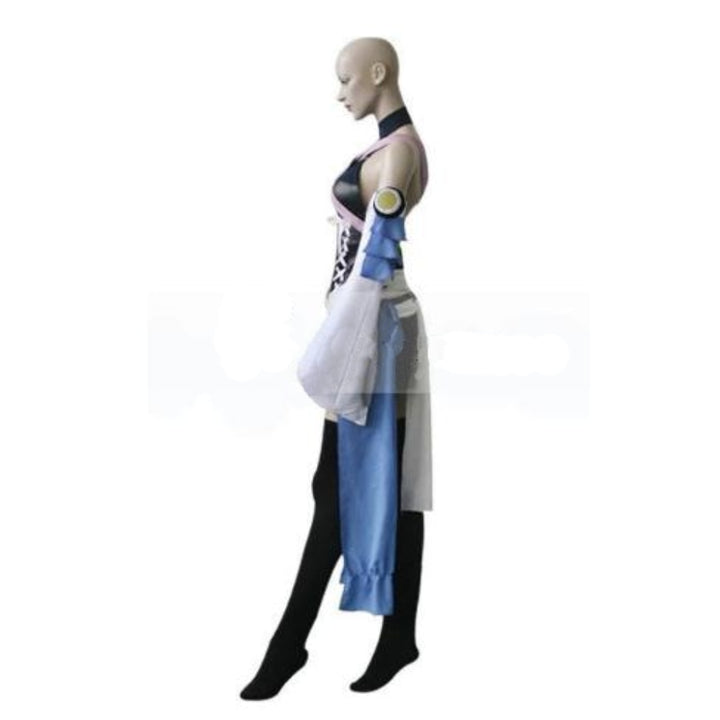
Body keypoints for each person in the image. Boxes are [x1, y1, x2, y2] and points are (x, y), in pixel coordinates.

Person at [240, 37, 432, 700]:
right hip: (368, 329)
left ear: (378, 74)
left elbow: (376, 256)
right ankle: (397, 635)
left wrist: (342, 342)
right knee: (365, 484)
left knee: (341, 486)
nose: (340, 91)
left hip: (376, 334)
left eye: (347, 79)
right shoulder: (388, 147)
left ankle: (288, 646)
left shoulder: (399, 154)